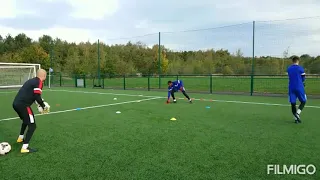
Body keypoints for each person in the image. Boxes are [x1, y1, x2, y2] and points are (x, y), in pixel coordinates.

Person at [12, 69, 49, 153]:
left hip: (16, 104)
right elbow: (36, 96)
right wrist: (43, 106)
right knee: (32, 125)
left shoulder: (31, 81)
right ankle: (25, 148)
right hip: (23, 105)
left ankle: (20, 138)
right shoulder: (39, 82)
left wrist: (40, 103)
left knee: (26, 121)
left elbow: (33, 95)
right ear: (44, 76)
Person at [287, 56, 306, 123]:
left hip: (291, 87)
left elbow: (290, 77)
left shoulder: (289, 68)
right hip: (299, 87)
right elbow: (303, 79)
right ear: (298, 61)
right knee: (303, 101)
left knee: (293, 103)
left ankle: (296, 119)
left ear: (292, 61)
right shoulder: (300, 68)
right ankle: (297, 114)